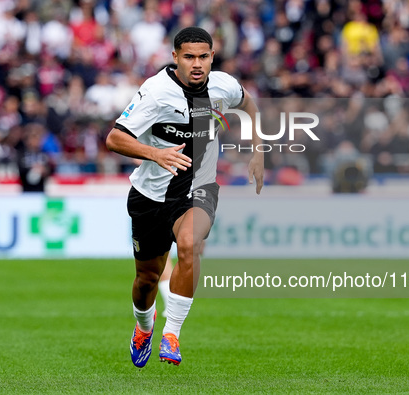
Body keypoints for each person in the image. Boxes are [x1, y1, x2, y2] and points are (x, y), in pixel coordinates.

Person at [106, 26, 264, 367]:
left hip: (199, 188)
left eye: (203, 57)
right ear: (175, 57)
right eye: (189, 57)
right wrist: (155, 153)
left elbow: (248, 104)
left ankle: (172, 334)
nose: (197, 64)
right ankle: (143, 328)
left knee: (191, 245)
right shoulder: (156, 92)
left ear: (212, 57)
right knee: (147, 279)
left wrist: (258, 151)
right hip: (151, 195)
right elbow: (115, 139)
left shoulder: (224, 85)